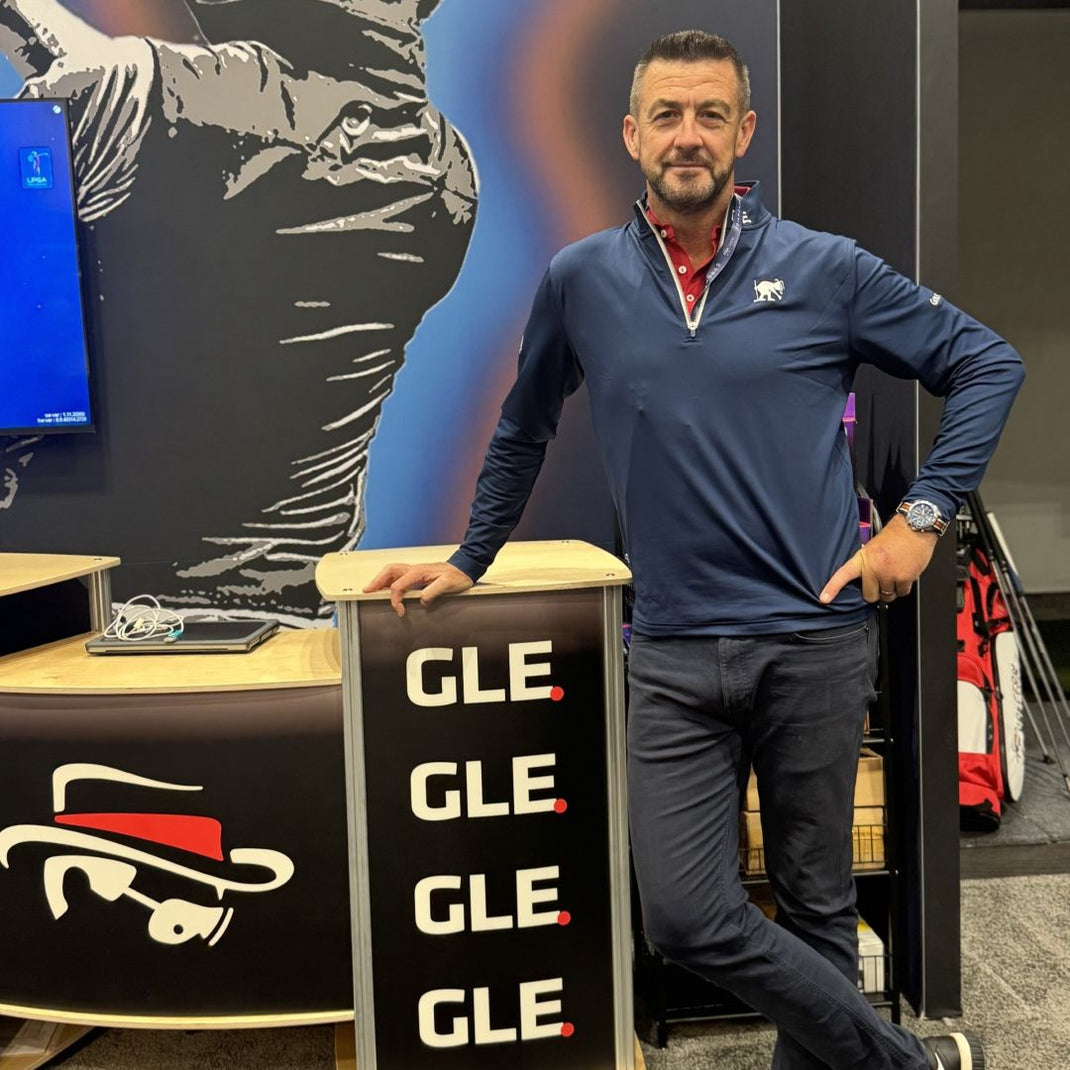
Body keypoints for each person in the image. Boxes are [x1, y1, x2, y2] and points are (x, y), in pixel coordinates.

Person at [366, 29, 1023, 1070]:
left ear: (741, 131)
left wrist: (922, 518)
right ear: (631, 135)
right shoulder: (580, 278)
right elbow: (523, 426)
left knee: (816, 906)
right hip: (671, 653)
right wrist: (469, 556)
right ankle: (909, 1063)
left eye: (709, 114)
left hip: (812, 640)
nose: (688, 135)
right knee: (681, 915)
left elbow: (986, 362)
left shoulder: (823, 268)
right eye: (666, 115)